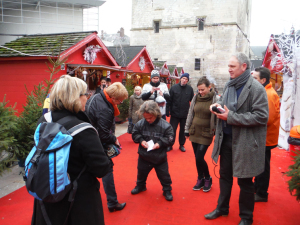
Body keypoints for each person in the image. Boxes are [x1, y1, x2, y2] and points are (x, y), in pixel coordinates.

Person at [31, 75, 111, 225]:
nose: (87, 98)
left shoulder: (43, 121)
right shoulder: (83, 129)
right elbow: (101, 169)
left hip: (47, 193)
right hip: (77, 201)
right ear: (75, 97)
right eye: (85, 94)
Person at [204, 53, 268, 225]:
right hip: (226, 140)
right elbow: (224, 105)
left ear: (244, 67)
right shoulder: (230, 85)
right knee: (224, 177)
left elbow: (262, 117)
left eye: (232, 66)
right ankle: (222, 209)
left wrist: (230, 117)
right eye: (229, 66)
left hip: (245, 144)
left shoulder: (256, 88)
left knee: (245, 182)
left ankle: (246, 218)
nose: (229, 69)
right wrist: (216, 106)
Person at [85, 82, 128, 212]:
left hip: (88, 137)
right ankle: (112, 202)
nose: (120, 103)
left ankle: (93, 199)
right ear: (113, 98)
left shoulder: (97, 97)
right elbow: (103, 134)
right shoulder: (105, 109)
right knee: (107, 169)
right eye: (120, 101)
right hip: (96, 141)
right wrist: (114, 139)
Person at [131, 101, 175, 201]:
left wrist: (159, 143)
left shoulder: (166, 125)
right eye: (146, 118)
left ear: (156, 114)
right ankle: (140, 186)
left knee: (164, 175)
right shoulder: (140, 123)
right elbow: (135, 134)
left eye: (150, 117)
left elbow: (171, 139)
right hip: (144, 155)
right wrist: (141, 140)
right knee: (141, 173)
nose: (148, 120)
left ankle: (167, 189)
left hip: (159, 157)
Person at [184, 76, 218, 192]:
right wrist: (186, 129)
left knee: (199, 156)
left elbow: (218, 117)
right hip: (194, 131)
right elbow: (190, 113)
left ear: (209, 87)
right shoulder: (196, 98)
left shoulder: (215, 98)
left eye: (202, 89)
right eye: (199, 90)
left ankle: (208, 178)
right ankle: (200, 178)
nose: (200, 92)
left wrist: (217, 132)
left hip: (206, 132)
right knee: (197, 158)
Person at [252, 67, 280, 202]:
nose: (252, 81)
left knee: (262, 166)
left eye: (255, 79)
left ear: (263, 80)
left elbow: (266, 119)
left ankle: (262, 193)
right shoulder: (265, 91)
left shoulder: (268, 94)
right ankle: (257, 187)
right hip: (263, 136)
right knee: (260, 164)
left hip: (265, 137)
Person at [167, 73, 194, 152]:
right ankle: (170, 144)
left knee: (183, 130)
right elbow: (169, 100)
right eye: (183, 78)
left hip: (185, 114)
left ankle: (181, 144)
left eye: (186, 79)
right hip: (174, 113)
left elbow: (192, 102)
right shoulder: (174, 88)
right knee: (172, 130)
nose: (184, 80)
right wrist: (167, 110)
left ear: (187, 81)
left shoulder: (190, 89)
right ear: (180, 78)